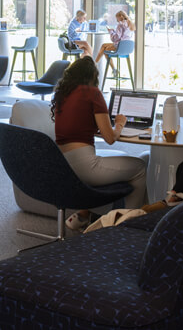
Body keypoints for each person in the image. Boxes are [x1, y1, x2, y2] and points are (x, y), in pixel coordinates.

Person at [53, 57, 148, 233]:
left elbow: (76, 127)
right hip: (85, 167)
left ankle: (83, 216)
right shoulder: (92, 93)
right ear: (93, 76)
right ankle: (129, 222)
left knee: (115, 164)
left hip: (63, 166)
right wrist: (120, 123)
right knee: (140, 167)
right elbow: (110, 138)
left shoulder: (63, 94)